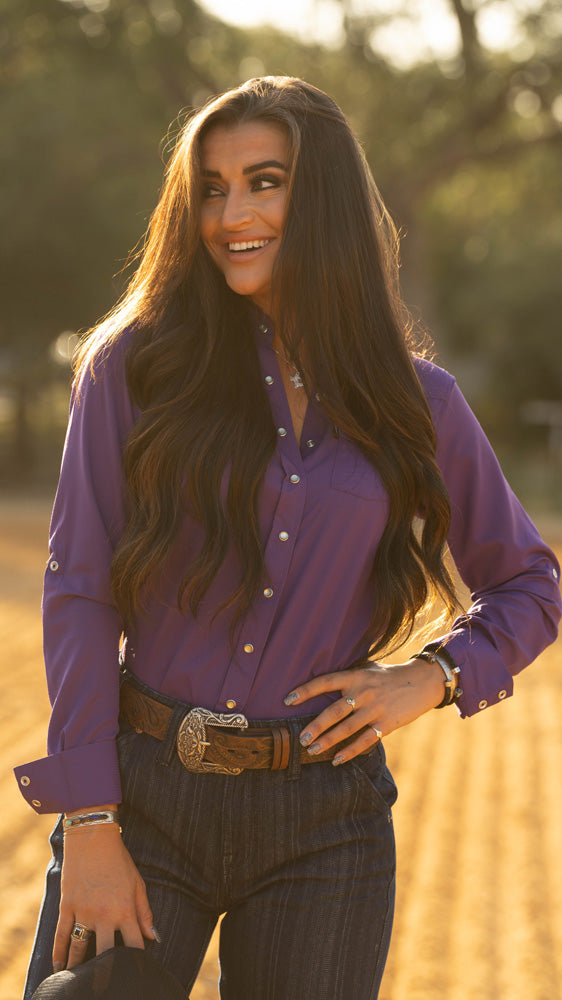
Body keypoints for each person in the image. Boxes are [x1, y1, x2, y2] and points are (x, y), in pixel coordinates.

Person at [15, 76, 561, 1000]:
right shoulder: (134, 366)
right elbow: (80, 592)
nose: (233, 213)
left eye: (264, 181)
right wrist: (91, 826)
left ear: (327, 200)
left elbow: (530, 585)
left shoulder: (419, 404)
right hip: (145, 799)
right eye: (214, 189)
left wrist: (431, 676)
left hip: (325, 820)